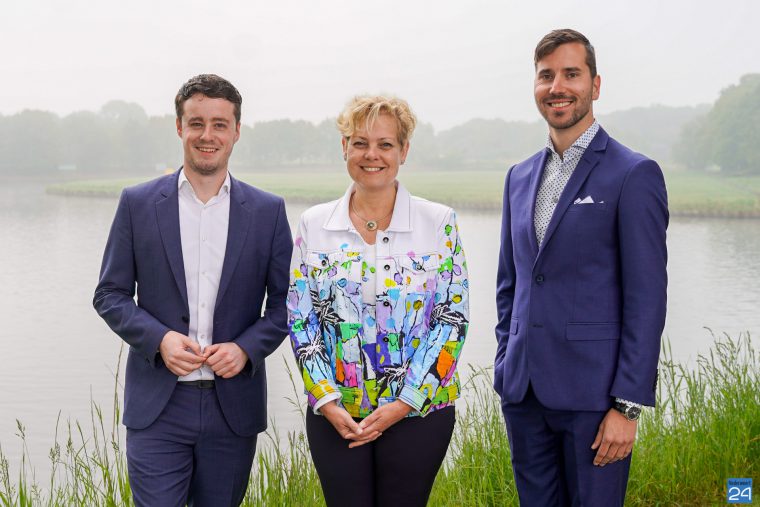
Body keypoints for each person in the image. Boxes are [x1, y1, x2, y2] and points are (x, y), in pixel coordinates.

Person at [93, 74, 292, 506]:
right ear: (179, 126)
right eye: (196, 123)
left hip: (232, 408)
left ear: (236, 131)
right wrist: (160, 339)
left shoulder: (268, 212)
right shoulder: (137, 203)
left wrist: (245, 349)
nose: (207, 135)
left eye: (220, 124)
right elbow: (109, 293)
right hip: (157, 408)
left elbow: (286, 306)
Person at [493, 29, 668, 506]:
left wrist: (627, 406)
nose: (557, 87)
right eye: (546, 75)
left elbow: (646, 299)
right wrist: (505, 362)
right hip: (524, 395)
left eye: (571, 74)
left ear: (595, 84)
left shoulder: (633, 173)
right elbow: (511, 282)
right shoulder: (518, 177)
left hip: (596, 399)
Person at [287, 95, 468, 507]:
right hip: (337, 414)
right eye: (360, 143)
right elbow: (301, 320)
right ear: (344, 148)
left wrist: (404, 403)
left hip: (419, 412)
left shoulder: (438, 222)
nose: (372, 155)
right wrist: (327, 400)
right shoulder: (314, 224)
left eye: (385, 144)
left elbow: (452, 319)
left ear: (404, 151)